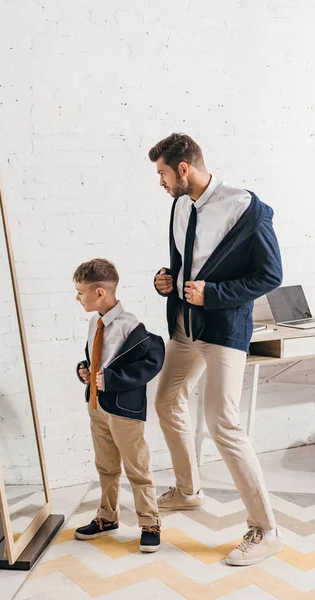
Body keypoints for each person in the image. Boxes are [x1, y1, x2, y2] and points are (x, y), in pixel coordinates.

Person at [149, 133, 283, 566]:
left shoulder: (245, 208)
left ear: (183, 168)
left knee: (222, 422)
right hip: (185, 325)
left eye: (164, 174)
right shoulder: (179, 205)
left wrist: (216, 294)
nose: (162, 183)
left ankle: (267, 530)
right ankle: (188, 492)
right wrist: (165, 280)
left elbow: (270, 274)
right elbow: (185, 262)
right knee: (167, 400)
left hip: (223, 327)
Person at [73, 258, 165, 553]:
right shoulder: (94, 323)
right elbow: (97, 357)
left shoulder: (130, 325)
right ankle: (107, 516)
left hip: (124, 410)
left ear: (100, 292)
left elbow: (153, 360)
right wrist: (84, 371)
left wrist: (112, 379)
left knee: (137, 466)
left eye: (80, 291)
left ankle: (150, 522)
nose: (77, 297)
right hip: (97, 405)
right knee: (106, 465)